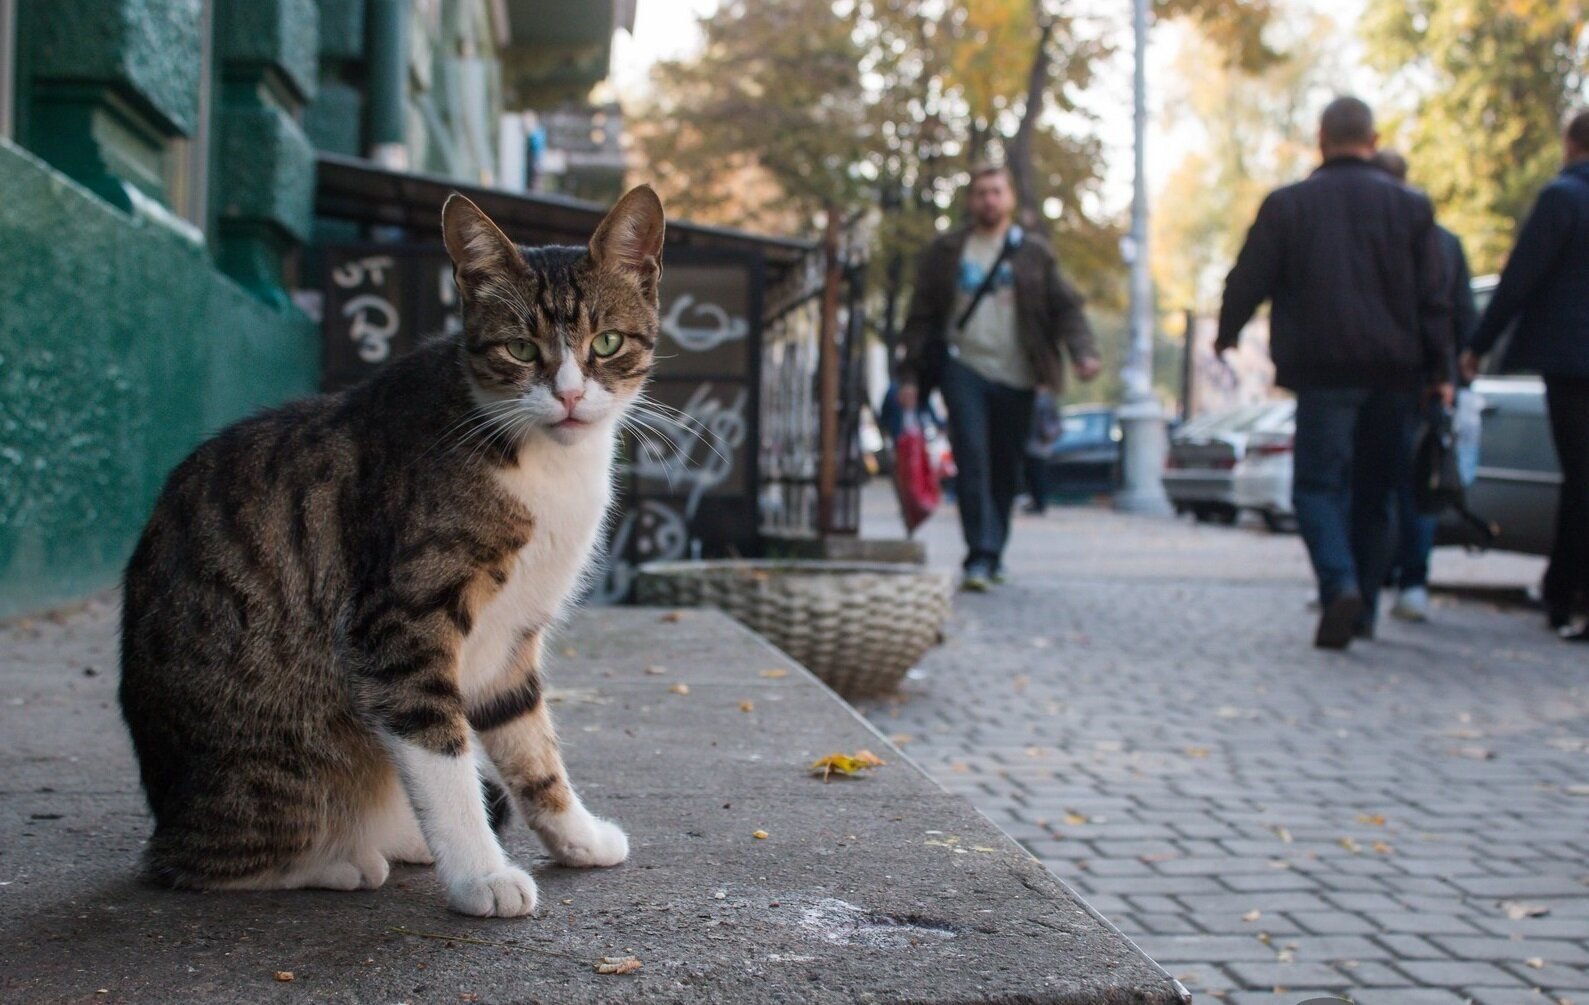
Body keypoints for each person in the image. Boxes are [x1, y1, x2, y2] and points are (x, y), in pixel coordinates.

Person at [1216, 98, 1454, 649]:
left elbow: (1247, 277)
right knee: (1377, 494)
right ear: (1373, 141)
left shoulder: (1289, 205)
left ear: (1320, 139)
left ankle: (1338, 584)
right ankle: (1364, 608)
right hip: (1396, 373)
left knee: (1318, 488)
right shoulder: (1412, 208)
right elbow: (1434, 298)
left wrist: (1227, 332)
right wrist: (1440, 369)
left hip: (1324, 370)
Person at [897, 164, 1101, 591]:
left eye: (996, 191)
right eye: (980, 193)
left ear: (1008, 198)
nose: (989, 200)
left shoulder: (1034, 253)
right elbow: (921, 316)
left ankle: (996, 550)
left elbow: (1066, 307)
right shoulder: (947, 252)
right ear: (970, 201)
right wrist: (911, 375)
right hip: (964, 367)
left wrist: (1083, 353)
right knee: (971, 459)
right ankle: (979, 555)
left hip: (1019, 375)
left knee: (1005, 468)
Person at [1461, 109, 1589, 642]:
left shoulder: (1563, 198)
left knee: (1581, 479)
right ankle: (1562, 589)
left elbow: (1520, 279)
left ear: (1569, 143)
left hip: (1573, 362)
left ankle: (1565, 592)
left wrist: (1479, 345)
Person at [1371, 149, 1480, 623]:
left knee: (1379, 484)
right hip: (1424, 378)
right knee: (1418, 478)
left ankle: (1373, 582)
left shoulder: (1371, 239)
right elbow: (1456, 314)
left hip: (1388, 377)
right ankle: (1411, 581)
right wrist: (1449, 373)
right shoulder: (1444, 241)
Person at [1022, 389, 1064, 515]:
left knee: (1038, 474)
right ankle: (1036, 501)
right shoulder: (1035, 396)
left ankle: (1039, 503)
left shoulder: (1045, 399)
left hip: (1040, 443)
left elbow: (1051, 419)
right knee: (1032, 474)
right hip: (1031, 442)